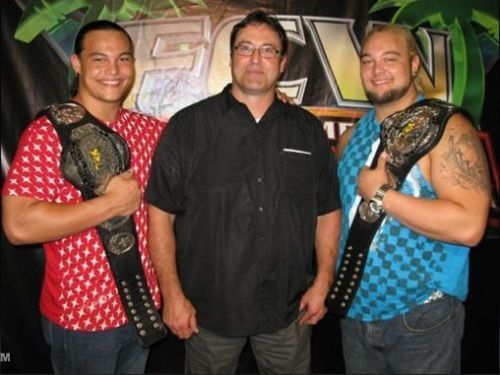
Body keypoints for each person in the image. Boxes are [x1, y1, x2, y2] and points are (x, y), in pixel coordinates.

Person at [146, 10, 341, 374]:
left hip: (288, 311)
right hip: (208, 314)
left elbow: (327, 210)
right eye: (245, 48)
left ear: (283, 63)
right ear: (232, 56)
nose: (255, 59)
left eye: (267, 50)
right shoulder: (188, 127)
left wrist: (323, 281)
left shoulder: (307, 131)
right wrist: (172, 295)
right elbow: (160, 213)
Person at [2, 20, 166, 374]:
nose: (113, 70)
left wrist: (259, 99)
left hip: (140, 308)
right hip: (81, 323)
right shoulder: (48, 134)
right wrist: (110, 205)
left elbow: (202, 130)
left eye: (123, 59)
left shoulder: (146, 129)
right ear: (76, 63)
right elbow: (18, 225)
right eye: (99, 59)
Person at [332, 24, 492, 374]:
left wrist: (382, 194)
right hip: (355, 315)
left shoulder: (448, 128)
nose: (377, 70)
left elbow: (469, 226)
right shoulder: (353, 136)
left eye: (390, 59)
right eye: (368, 61)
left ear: (415, 64)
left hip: (421, 318)